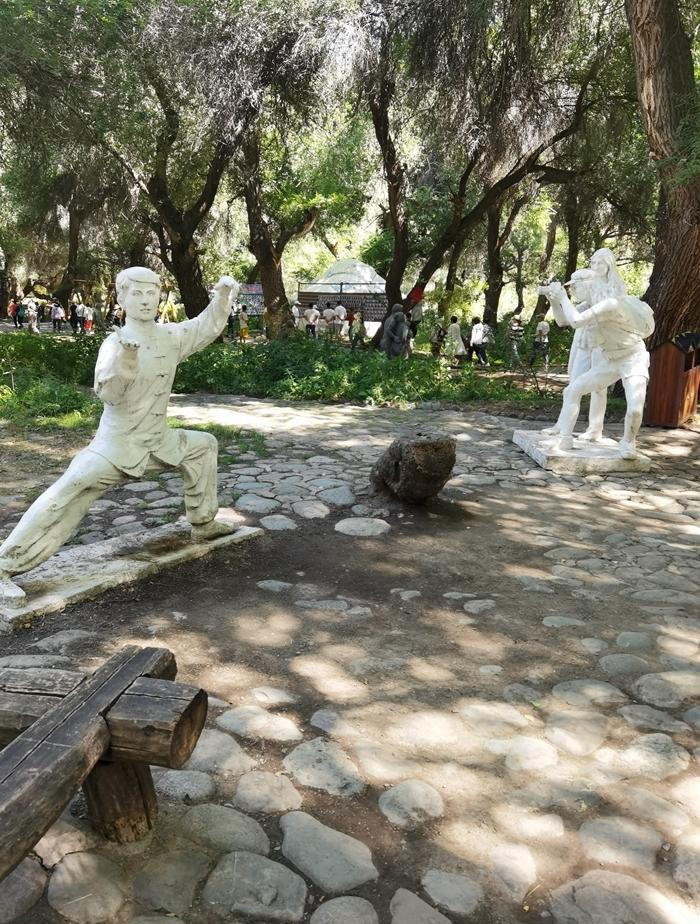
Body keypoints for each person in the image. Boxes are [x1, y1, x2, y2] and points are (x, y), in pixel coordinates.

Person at [0, 266, 239, 604]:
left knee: (204, 446)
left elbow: (205, 326)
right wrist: (126, 358)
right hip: (116, 447)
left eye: (151, 293)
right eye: (137, 293)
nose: (145, 300)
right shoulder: (114, 344)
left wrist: (223, 295)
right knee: (69, 489)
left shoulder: (171, 336)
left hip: (159, 441)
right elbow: (110, 395)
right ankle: (4, 565)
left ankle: (203, 523)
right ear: (122, 298)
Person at [539, 272, 654, 458]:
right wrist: (555, 300)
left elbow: (576, 321)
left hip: (632, 358)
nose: (572, 290)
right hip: (610, 358)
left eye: (575, 286)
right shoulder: (589, 304)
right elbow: (563, 320)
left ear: (589, 284)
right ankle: (565, 438)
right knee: (572, 390)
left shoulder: (609, 303)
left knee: (634, 409)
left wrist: (563, 298)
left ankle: (627, 441)